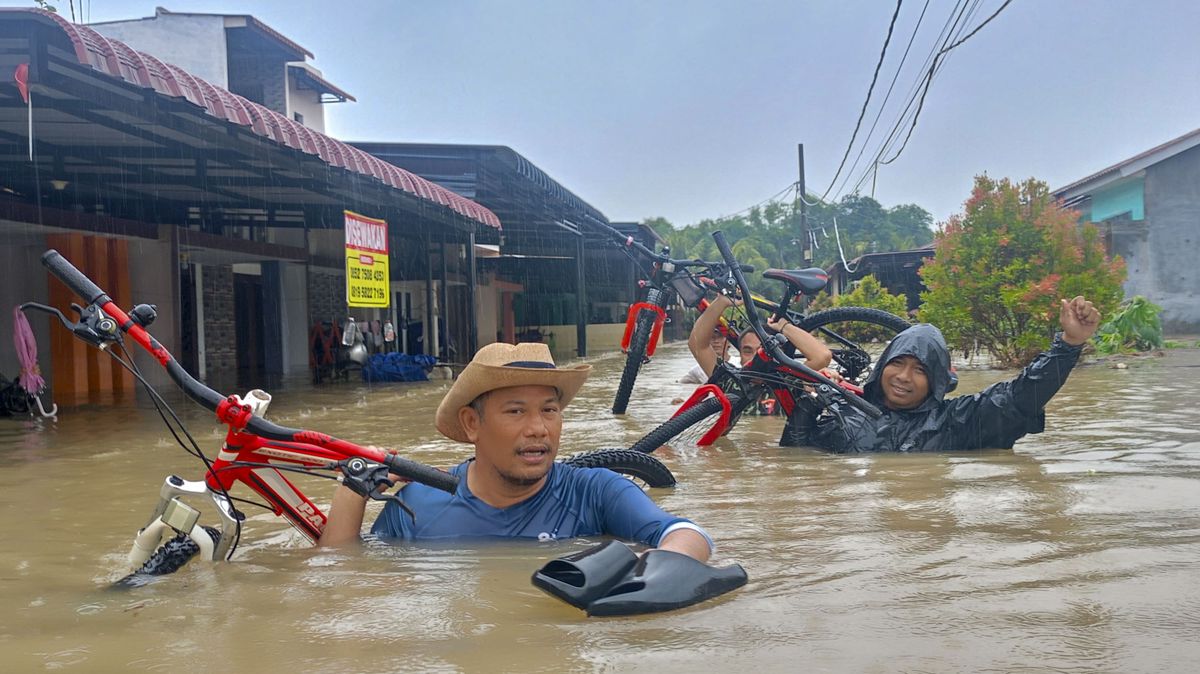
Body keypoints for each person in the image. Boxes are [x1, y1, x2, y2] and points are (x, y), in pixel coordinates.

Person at [318, 342, 714, 562]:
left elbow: (687, 534)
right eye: (516, 411)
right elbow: (342, 578)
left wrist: (645, 574)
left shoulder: (595, 491)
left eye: (549, 410)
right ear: (472, 424)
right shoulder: (416, 506)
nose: (539, 428)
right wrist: (353, 490)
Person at [785, 296, 1102, 452]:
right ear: (882, 366)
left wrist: (1069, 345)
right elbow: (795, 462)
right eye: (898, 363)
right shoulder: (843, 409)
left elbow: (1020, 398)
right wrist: (806, 407)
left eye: (920, 370)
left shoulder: (957, 422)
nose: (903, 377)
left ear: (936, 381)